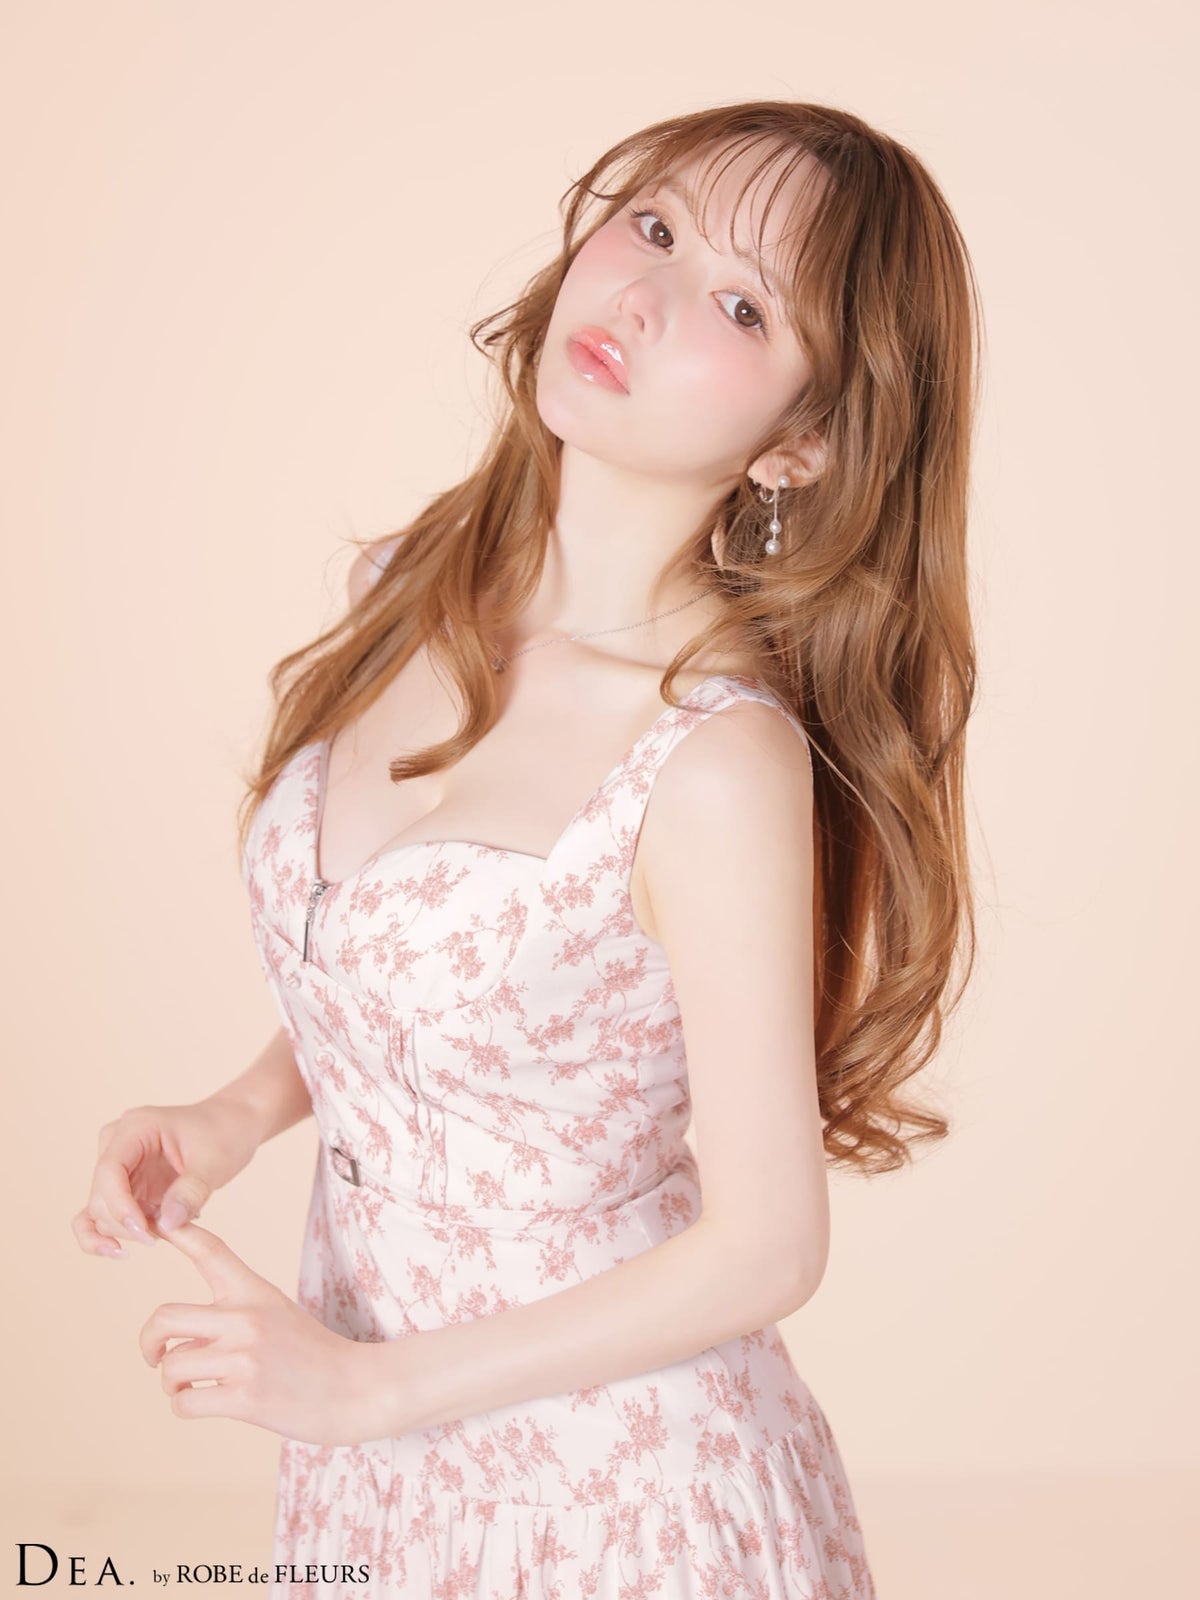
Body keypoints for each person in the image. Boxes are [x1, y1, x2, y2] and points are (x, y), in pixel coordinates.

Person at [74, 99, 981, 1597]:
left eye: (743, 307)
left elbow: (769, 1247)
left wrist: (363, 1387)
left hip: (617, 1500)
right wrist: (235, 1114)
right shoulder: (409, 588)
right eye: (655, 227)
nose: (646, 296)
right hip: (374, 1472)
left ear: (803, 443)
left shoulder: (710, 762)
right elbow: (452, 983)